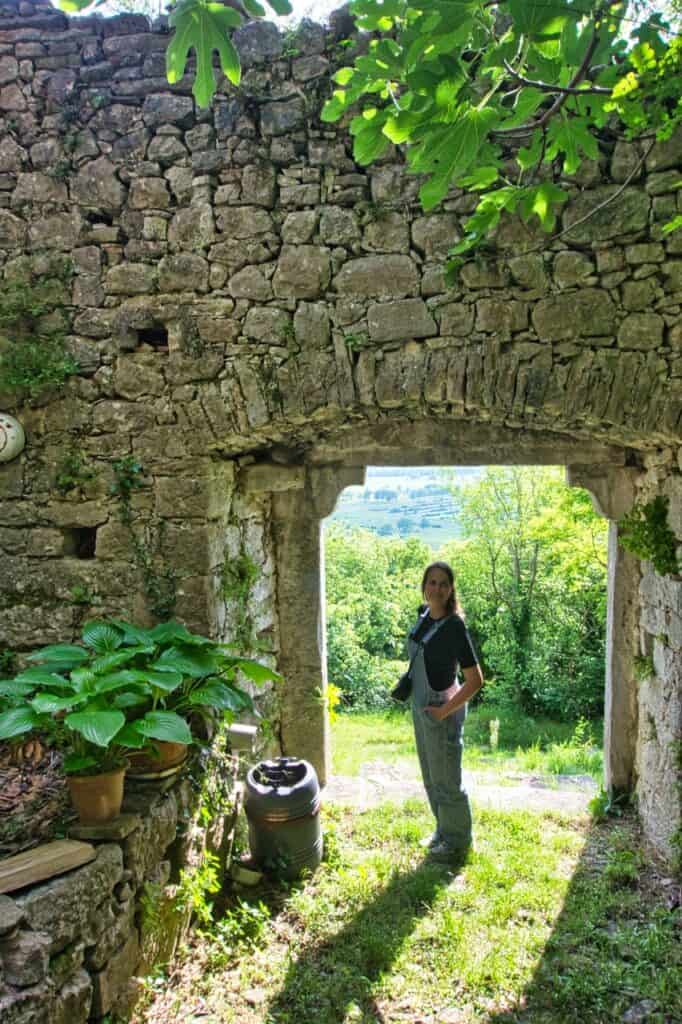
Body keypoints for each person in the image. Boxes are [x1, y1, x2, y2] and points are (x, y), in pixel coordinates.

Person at [407, 560, 483, 864]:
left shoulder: (454, 626)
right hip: (421, 707)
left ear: (451, 590)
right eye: (432, 582)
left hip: (442, 708)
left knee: (447, 779)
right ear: (424, 585)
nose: (436, 588)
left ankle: (458, 843)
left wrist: (443, 712)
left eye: (443, 583)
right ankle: (443, 829)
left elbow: (475, 680)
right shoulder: (422, 615)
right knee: (430, 775)